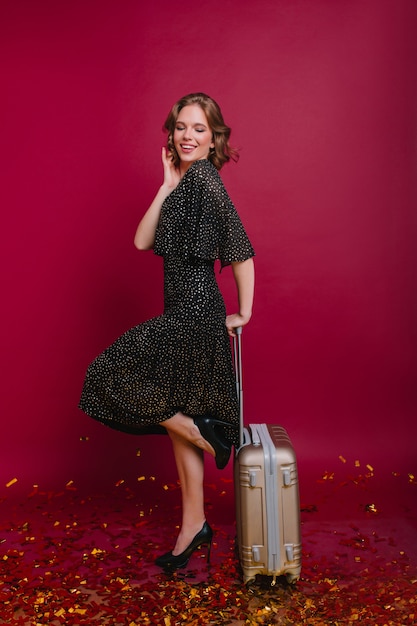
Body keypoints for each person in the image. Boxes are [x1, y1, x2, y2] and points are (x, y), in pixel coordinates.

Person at [79, 92, 255, 570]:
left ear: (214, 136)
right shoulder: (184, 183)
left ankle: (206, 433)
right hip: (182, 311)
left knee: (105, 378)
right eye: (181, 127)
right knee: (177, 418)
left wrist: (245, 311)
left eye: (199, 129)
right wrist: (164, 185)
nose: (187, 136)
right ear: (171, 133)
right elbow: (141, 241)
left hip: (193, 316)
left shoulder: (208, 183)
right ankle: (193, 523)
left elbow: (241, 249)